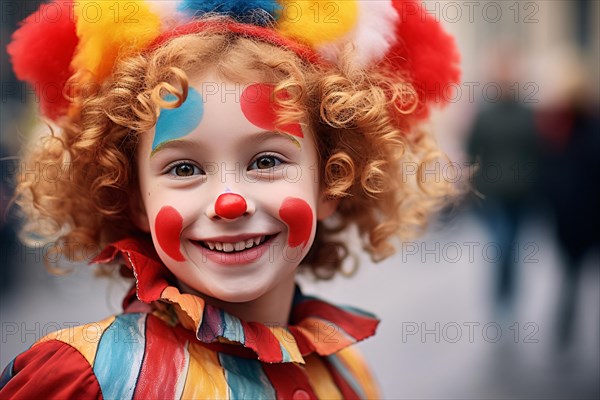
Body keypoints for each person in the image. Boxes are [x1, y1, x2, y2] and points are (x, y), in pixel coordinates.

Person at [0, 0, 459, 398]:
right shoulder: (88, 380)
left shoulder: (350, 378)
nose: (229, 202)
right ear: (134, 197)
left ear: (332, 182)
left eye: (265, 162)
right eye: (184, 169)